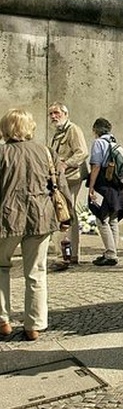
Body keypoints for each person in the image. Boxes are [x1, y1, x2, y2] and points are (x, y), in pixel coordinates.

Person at [0, 109, 70, 341]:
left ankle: (3, 321)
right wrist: (66, 217)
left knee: (0, 268)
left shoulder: (2, 153)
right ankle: (34, 325)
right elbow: (60, 184)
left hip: (7, 218)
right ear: (30, 127)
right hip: (40, 217)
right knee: (36, 272)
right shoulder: (46, 151)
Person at [47, 102, 89, 272]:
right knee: (68, 214)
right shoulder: (58, 133)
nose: (53, 117)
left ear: (65, 113)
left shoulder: (73, 129)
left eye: (56, 113)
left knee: (63, 214)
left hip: (71, 177)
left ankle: (64, 256)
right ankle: (70, 254)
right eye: (51, 114)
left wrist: (65, 164)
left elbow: (82, 152)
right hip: (62, 178)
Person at [87, 118, 123, 267]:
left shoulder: (99, 143)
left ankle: (111, 254)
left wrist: (91, 186)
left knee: (101, 219)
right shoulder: (114, 142)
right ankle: (112, 251)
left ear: (95, 130)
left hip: (104, 184)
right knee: (112, 219)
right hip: (117, 185)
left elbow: (96, 166)